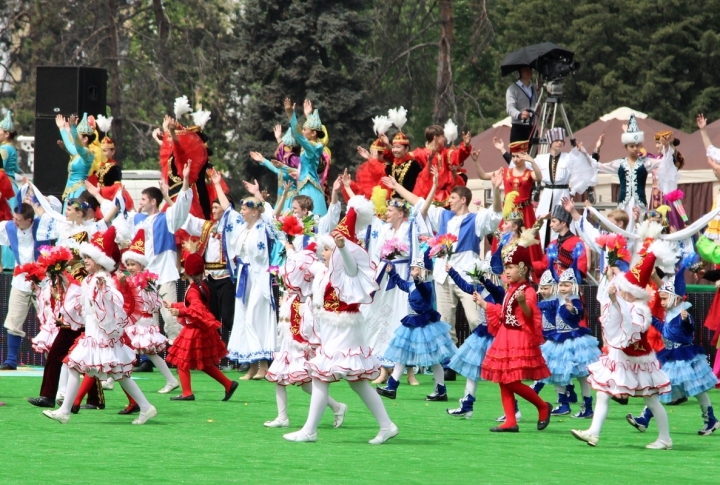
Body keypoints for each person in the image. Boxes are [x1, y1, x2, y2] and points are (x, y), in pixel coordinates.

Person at [283, 196, 398, 444]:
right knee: (357, 383)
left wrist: (343, 247)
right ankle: (386, 425)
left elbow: (351, 266)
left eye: (326, 249)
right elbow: (303, 267)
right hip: (335, 329)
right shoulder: (326, 272)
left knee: (321, 375)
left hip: (345, 329)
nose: (322, 252)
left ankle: (310, 430)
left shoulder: (348, 270)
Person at [382, 169, 503, 363]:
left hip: (466, 276)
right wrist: (397, 187)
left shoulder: (476, 220)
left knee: (474, 319)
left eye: (453, 197)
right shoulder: (443, 216)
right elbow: (419, 202)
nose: (449, 200)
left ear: (463, 200)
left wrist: (496, 190)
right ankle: (450, 364)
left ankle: (489, 357)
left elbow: (495, 214)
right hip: (442, 275)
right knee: (446, 322)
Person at [43, 226, 158, 425]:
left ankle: (65, 411)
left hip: (101, 336)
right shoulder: (91, 279)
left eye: (89, 258)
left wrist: (102, 297)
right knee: (78, 366)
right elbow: (82, 305)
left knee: (99, 370)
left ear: (100, 261)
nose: (85, 260)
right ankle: (65, 410)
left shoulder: (102, 280)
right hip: (94, 334)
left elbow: (114, 304)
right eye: (85, 257)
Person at [571, 240, 675, 449]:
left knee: (651, 399)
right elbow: (613, 322)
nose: (620, 291)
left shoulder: (640, 309)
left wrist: (617, 301)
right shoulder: (626, 303)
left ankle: (665, 438)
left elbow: (630, 328)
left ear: (633, 292)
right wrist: (615, 298)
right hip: (621, 358)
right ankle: (593, 432)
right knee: (603, 392)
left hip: (638, 360)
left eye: (624, 289)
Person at [476, 228, 553, 433]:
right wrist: (484, 305)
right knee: (503, 379)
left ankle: (542, 405)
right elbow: (503, 315)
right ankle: (510, 420)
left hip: (518, 338)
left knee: (511, 380)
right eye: (506, 267)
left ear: (523, 268)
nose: (507, 271)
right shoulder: (510, 290)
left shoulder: (527, 290)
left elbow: (530, 315)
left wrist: (524, 304)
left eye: (511, 267)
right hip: (505, 336)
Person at [264, 242, 347, 429]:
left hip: (300, 317)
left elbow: (324, 274)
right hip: (290, 313)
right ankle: (282, 416)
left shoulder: (308, 261)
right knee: (281, 371)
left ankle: (336, 406)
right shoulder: (298, 256)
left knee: (305, 378)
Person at [364, 169, 436, 384]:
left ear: (401, 213)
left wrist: (399, 188)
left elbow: (422, 207)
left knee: (405, 317)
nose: (386, 213)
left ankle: (410, 370)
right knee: (385, 319)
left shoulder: (410, 227)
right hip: (388, 277)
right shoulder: (384, 230)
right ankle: (384, 369)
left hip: (405, 275)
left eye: (390, 210)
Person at [626, 269, 719, 436]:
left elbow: (690, 328)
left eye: (664, 298)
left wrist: (686, 320)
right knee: (662, 387)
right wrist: (649, 315)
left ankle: (710, 420)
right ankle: (645, 419)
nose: (661, 302)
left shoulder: (683, 315)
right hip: (671, 357)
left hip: (684, 358)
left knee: (696, 390)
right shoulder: (669, 315)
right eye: (661, 299)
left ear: (676, 298)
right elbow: (665, 331)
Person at [126, 160, 193, 347]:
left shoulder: (167, 218)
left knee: (170, 315)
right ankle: (148, 355)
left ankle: (180, 352)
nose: (140, 203)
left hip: (163, 274)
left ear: (153, 202)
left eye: (143, 199)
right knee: (146, 317)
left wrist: (185, 180)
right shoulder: (138, 220)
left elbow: (181, 207)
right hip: (143, 277)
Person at [376, 253, 456, 401]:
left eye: (416, 269)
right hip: (412, 324)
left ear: (423, 271)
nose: (412, 271)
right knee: (402, 356)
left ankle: (441, 391)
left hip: (425, 326)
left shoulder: (425, 286)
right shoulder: (412, 284)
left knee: (433, 360)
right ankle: (392, 387)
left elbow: (424, 291)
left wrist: (418, 280)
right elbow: (401, 283)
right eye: (412, 268)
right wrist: (392, 272)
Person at [164, 250, 239, 402]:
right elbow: (194, 305)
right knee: (204, 363)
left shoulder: (192, 290)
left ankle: (187, 392)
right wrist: (174, 305)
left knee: (181, 360)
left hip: (194, 330)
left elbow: (196, 308)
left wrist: (180, 311)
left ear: (187, 271)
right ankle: (228, 384)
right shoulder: (201, 286)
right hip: (201, 329)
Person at [220, 181, 277, 380]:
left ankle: (263, 364)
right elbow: (227, 211)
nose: (241, 211)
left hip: (259, 278)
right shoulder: (243, 229)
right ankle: (252, 365)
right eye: (242, 208)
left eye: (245, 208)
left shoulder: (264, 227)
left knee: (255, 317)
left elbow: (272, 217)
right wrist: (219, 184)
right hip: (245, 278)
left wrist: (258, 195)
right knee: (244, 318)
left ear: (254, 211)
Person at [445, 256, 505, 418]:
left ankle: (513, 409)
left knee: (503, 375)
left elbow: (493, 288)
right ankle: (467, 404)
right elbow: (465, 286)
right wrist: (452, 272)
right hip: (482, 335)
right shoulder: (478, 289)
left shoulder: (499, 291)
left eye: (487, 274)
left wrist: (482, 278)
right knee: (473, 369)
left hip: (497, 337)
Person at [121, 230, 179, 394]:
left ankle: (171, 379)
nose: (130, 268)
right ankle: (111, 378)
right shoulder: (130, 280)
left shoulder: (147, 282)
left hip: (144, 323)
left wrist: (144, 292)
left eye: (134, 264)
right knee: (127, 350)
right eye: (129, 264)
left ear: (142, 265)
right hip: (133, 323)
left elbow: (155, 303)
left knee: (149, 353)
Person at [539, 267, 601, 418]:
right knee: (556, 372)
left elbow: (578, 313)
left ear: (574, 286)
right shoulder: (557, 300)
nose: (563, 288)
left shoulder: (575, 300)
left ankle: (587, 406)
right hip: (558, 340)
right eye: (561, 284)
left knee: (582, 375)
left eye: (566, 285)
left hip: (574, 341)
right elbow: (543, 305)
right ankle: (563, 404)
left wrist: (572, 309)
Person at [595, 114, 677, 226]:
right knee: (623, 231)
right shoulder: (620, 163)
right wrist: (597, 148)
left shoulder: (646, 162)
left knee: (640, 231)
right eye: (631, 146)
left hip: (640, 206)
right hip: (623, 206)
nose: (635, 148)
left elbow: (667, 162)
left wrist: (667, 146)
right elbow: (596, 166)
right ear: (626, 147)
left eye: (637, 145)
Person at [0, 203, 51, 370]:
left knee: (50, 321)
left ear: (29, 220)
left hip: (43, 283)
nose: (15, 221)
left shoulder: (41, 227)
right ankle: (11, 360)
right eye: (14, 218)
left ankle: (53, 361)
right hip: (20, 281)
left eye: (19, 220)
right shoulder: (8, 227)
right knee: (13, 320)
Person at [534, 127, 597, 246]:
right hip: (546, 194)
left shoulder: (568, 157)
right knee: (542, 226)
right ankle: (542, 251)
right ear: (550, 141)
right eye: (557, 140)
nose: (560, 143)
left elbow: (588, 166)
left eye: (562, 141)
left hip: (562, 193)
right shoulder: (540, 159)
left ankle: (566, 248)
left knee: (564, 222)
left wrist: (582, 152)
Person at [284, 98, 328, 217]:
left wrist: (290, 115)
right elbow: (311, 135)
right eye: (303, 129)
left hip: (309, 189)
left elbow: (299, 136)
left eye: (305, 129)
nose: (303, 131)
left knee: (310, 224)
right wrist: (308, 115)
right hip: (307, 187)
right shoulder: (313, 146)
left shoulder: (311, 148)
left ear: (313, 133)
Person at [56, 113, 95, 209]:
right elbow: (70, 146)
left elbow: (77, 146)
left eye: (78, 136)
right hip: (70, 190)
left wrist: (73, 128)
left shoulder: (88, 154)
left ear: (85, 139)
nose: (75, 137)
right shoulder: (78, 153)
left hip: (79, 190)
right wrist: (62, 128)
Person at [0, 110, 20, 269]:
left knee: (5, 223)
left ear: (6, 134)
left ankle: (7, 262)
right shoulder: (12, 148)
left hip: (4, 186)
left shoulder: (4, 149)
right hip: (12, 185)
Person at [506, 66, 537, 143]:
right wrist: (520, 115)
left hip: (532, 126)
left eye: (530, 68)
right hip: (519, 127)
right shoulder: (512, 89)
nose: (529, 71)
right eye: (525, 69)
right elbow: (510, 108)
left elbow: (537, 105)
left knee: (532, 154)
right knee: (517, 154)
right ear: (518, 72)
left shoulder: (534, 88)